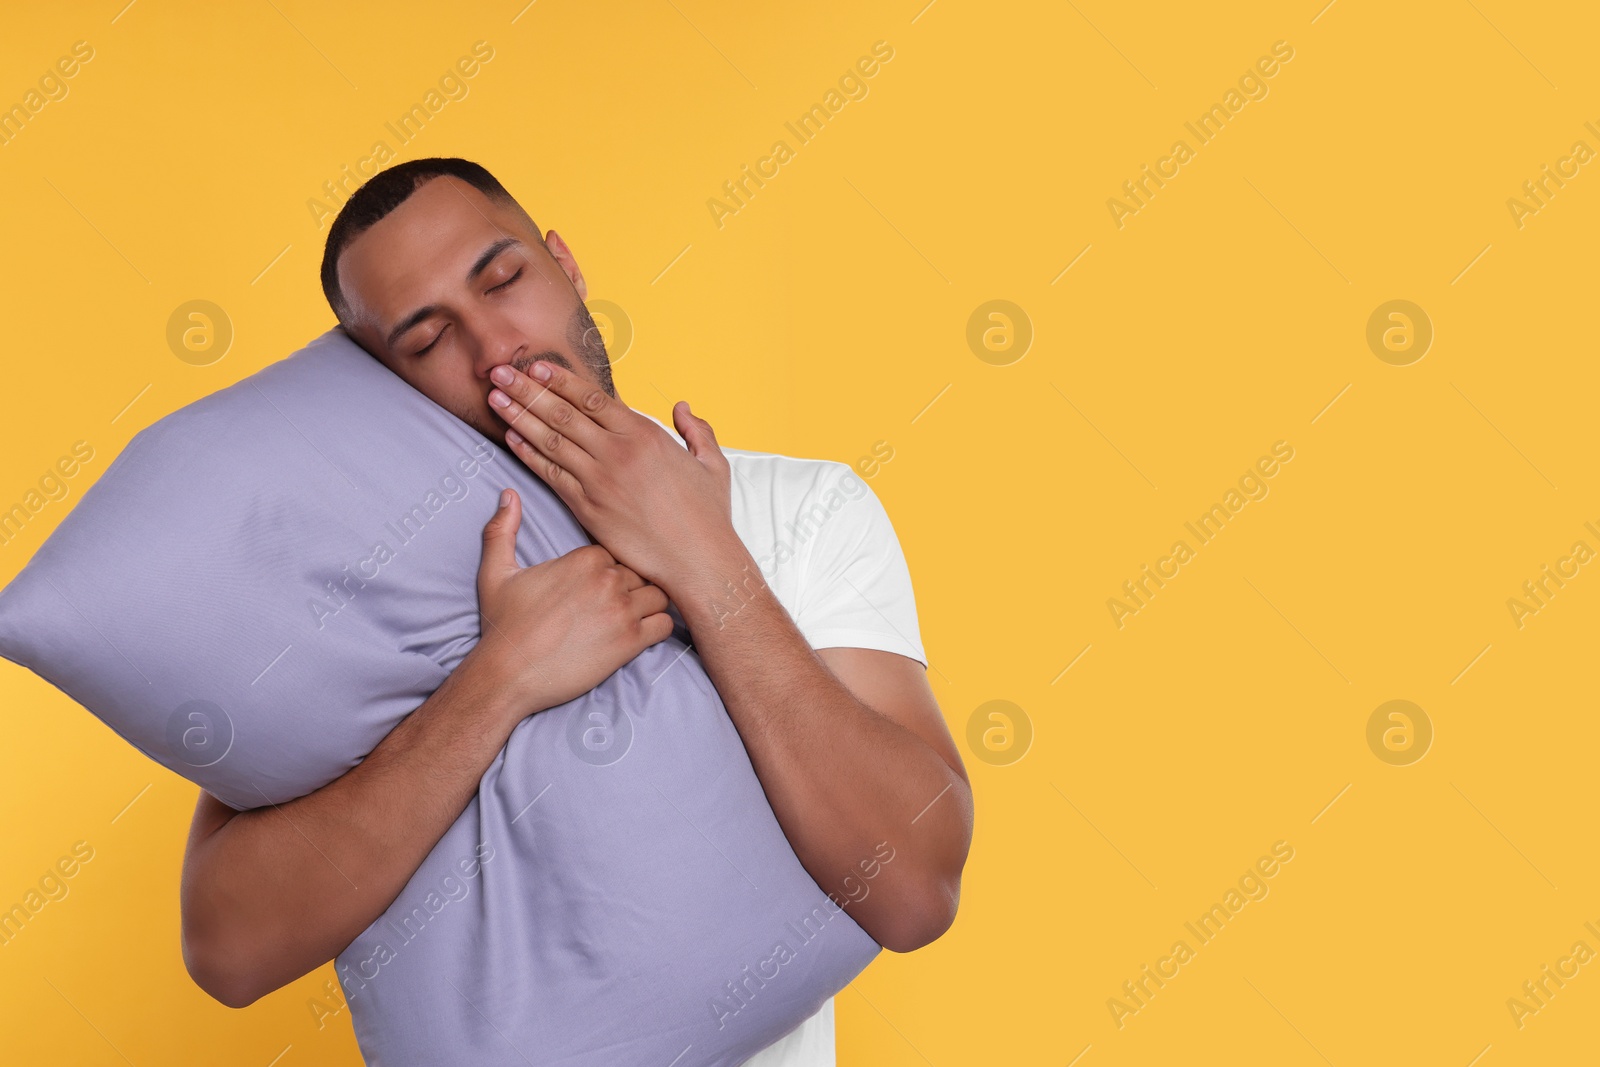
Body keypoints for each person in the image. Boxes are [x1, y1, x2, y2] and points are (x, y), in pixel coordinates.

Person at [178, 157, 973, 1065]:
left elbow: (913, 890)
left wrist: (704, 562)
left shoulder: (802, 508)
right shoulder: (359, 586)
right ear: (383, 385)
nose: (494, 350)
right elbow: (232, 951)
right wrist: (501, 678)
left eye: (504, 278)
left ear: (566, 264)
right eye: (428, 336)